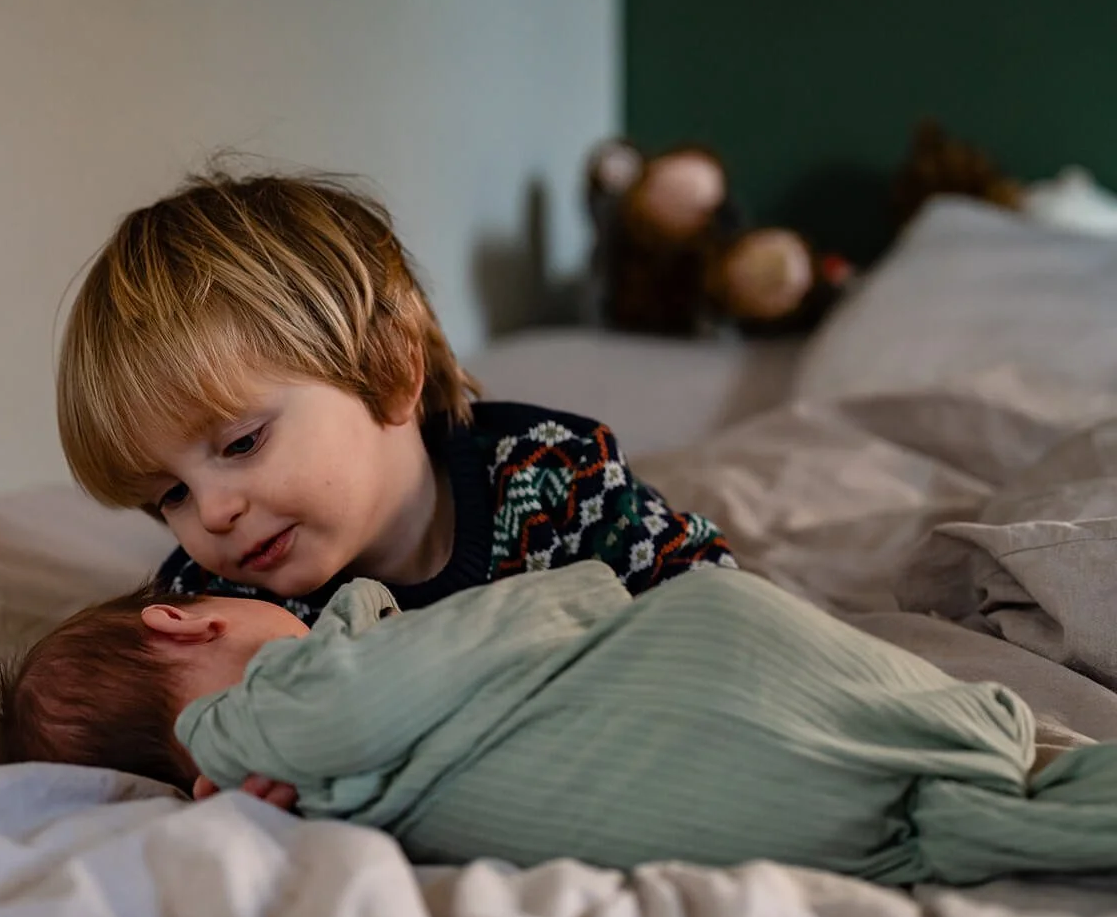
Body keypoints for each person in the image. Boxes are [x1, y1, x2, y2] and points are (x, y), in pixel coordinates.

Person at [0, 560, 1117, 889]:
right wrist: (566, 594)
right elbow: (375, 683)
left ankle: (964, 803)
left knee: (957, 800)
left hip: (690, 784)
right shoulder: (272, 706)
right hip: (706, 686)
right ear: (181, 619)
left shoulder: (263, 785)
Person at [56, 170, 735, 626]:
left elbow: (715, 604)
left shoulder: (555, 483)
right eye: (170, 494)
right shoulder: (227, 606)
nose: (212, 512)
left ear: (388, 371)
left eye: (240, 443)